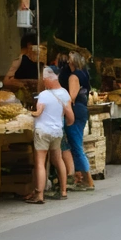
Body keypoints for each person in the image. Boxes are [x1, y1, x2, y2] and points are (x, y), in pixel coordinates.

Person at [25, 67, 71, 202]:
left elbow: (38, 112)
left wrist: (28, 113)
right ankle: (63, 191)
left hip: (43, 131)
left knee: (40, 163)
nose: (43, 81)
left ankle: (39, 195)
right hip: (57, 131)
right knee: (58, 160)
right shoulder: (64, 93)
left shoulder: (44, 95)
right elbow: (65, 112)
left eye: (44, 78)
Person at [59, 51, 95, 192]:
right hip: (82, 108)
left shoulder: (74, 76)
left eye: (69, 60)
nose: (67, 62)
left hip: (75, 110)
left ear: (73, 62)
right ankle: (82, 177)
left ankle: (88, 179)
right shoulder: (84, 74)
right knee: (76, 143)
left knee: (75, 144)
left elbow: (71, 97)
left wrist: (63, 108)